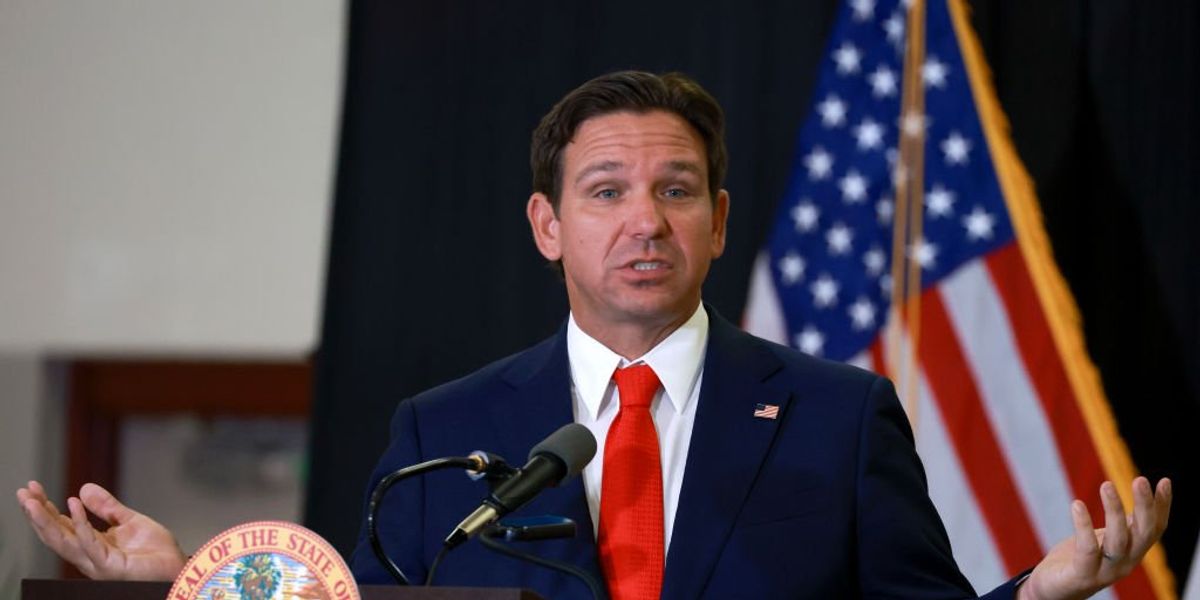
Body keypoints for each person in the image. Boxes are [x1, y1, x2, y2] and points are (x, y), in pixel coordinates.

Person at [16, 71, 1171, 599]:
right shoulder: (443, 431)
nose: (644, 222)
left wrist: (1040, 594)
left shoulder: (836, 416)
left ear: (720, 223)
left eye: (676, 191)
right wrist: (184, 585)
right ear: (546, 226)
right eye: (607, 192)